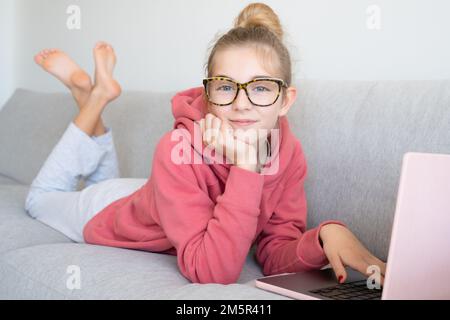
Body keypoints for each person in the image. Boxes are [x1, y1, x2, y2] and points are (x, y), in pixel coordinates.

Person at [25, 3, 386, 285]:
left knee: (107, 180)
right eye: (227, 87)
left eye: (260, 88)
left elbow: (274, 250)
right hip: (109, 210)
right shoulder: (174, 149)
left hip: (152, 198)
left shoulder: (289, 154)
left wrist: (324, 237)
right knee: (39, 198)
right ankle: (93, 99)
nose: (242, 103)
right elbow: (211, 272)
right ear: (208, 94)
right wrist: (247, 166)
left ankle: (93, 95)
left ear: (286, 100)